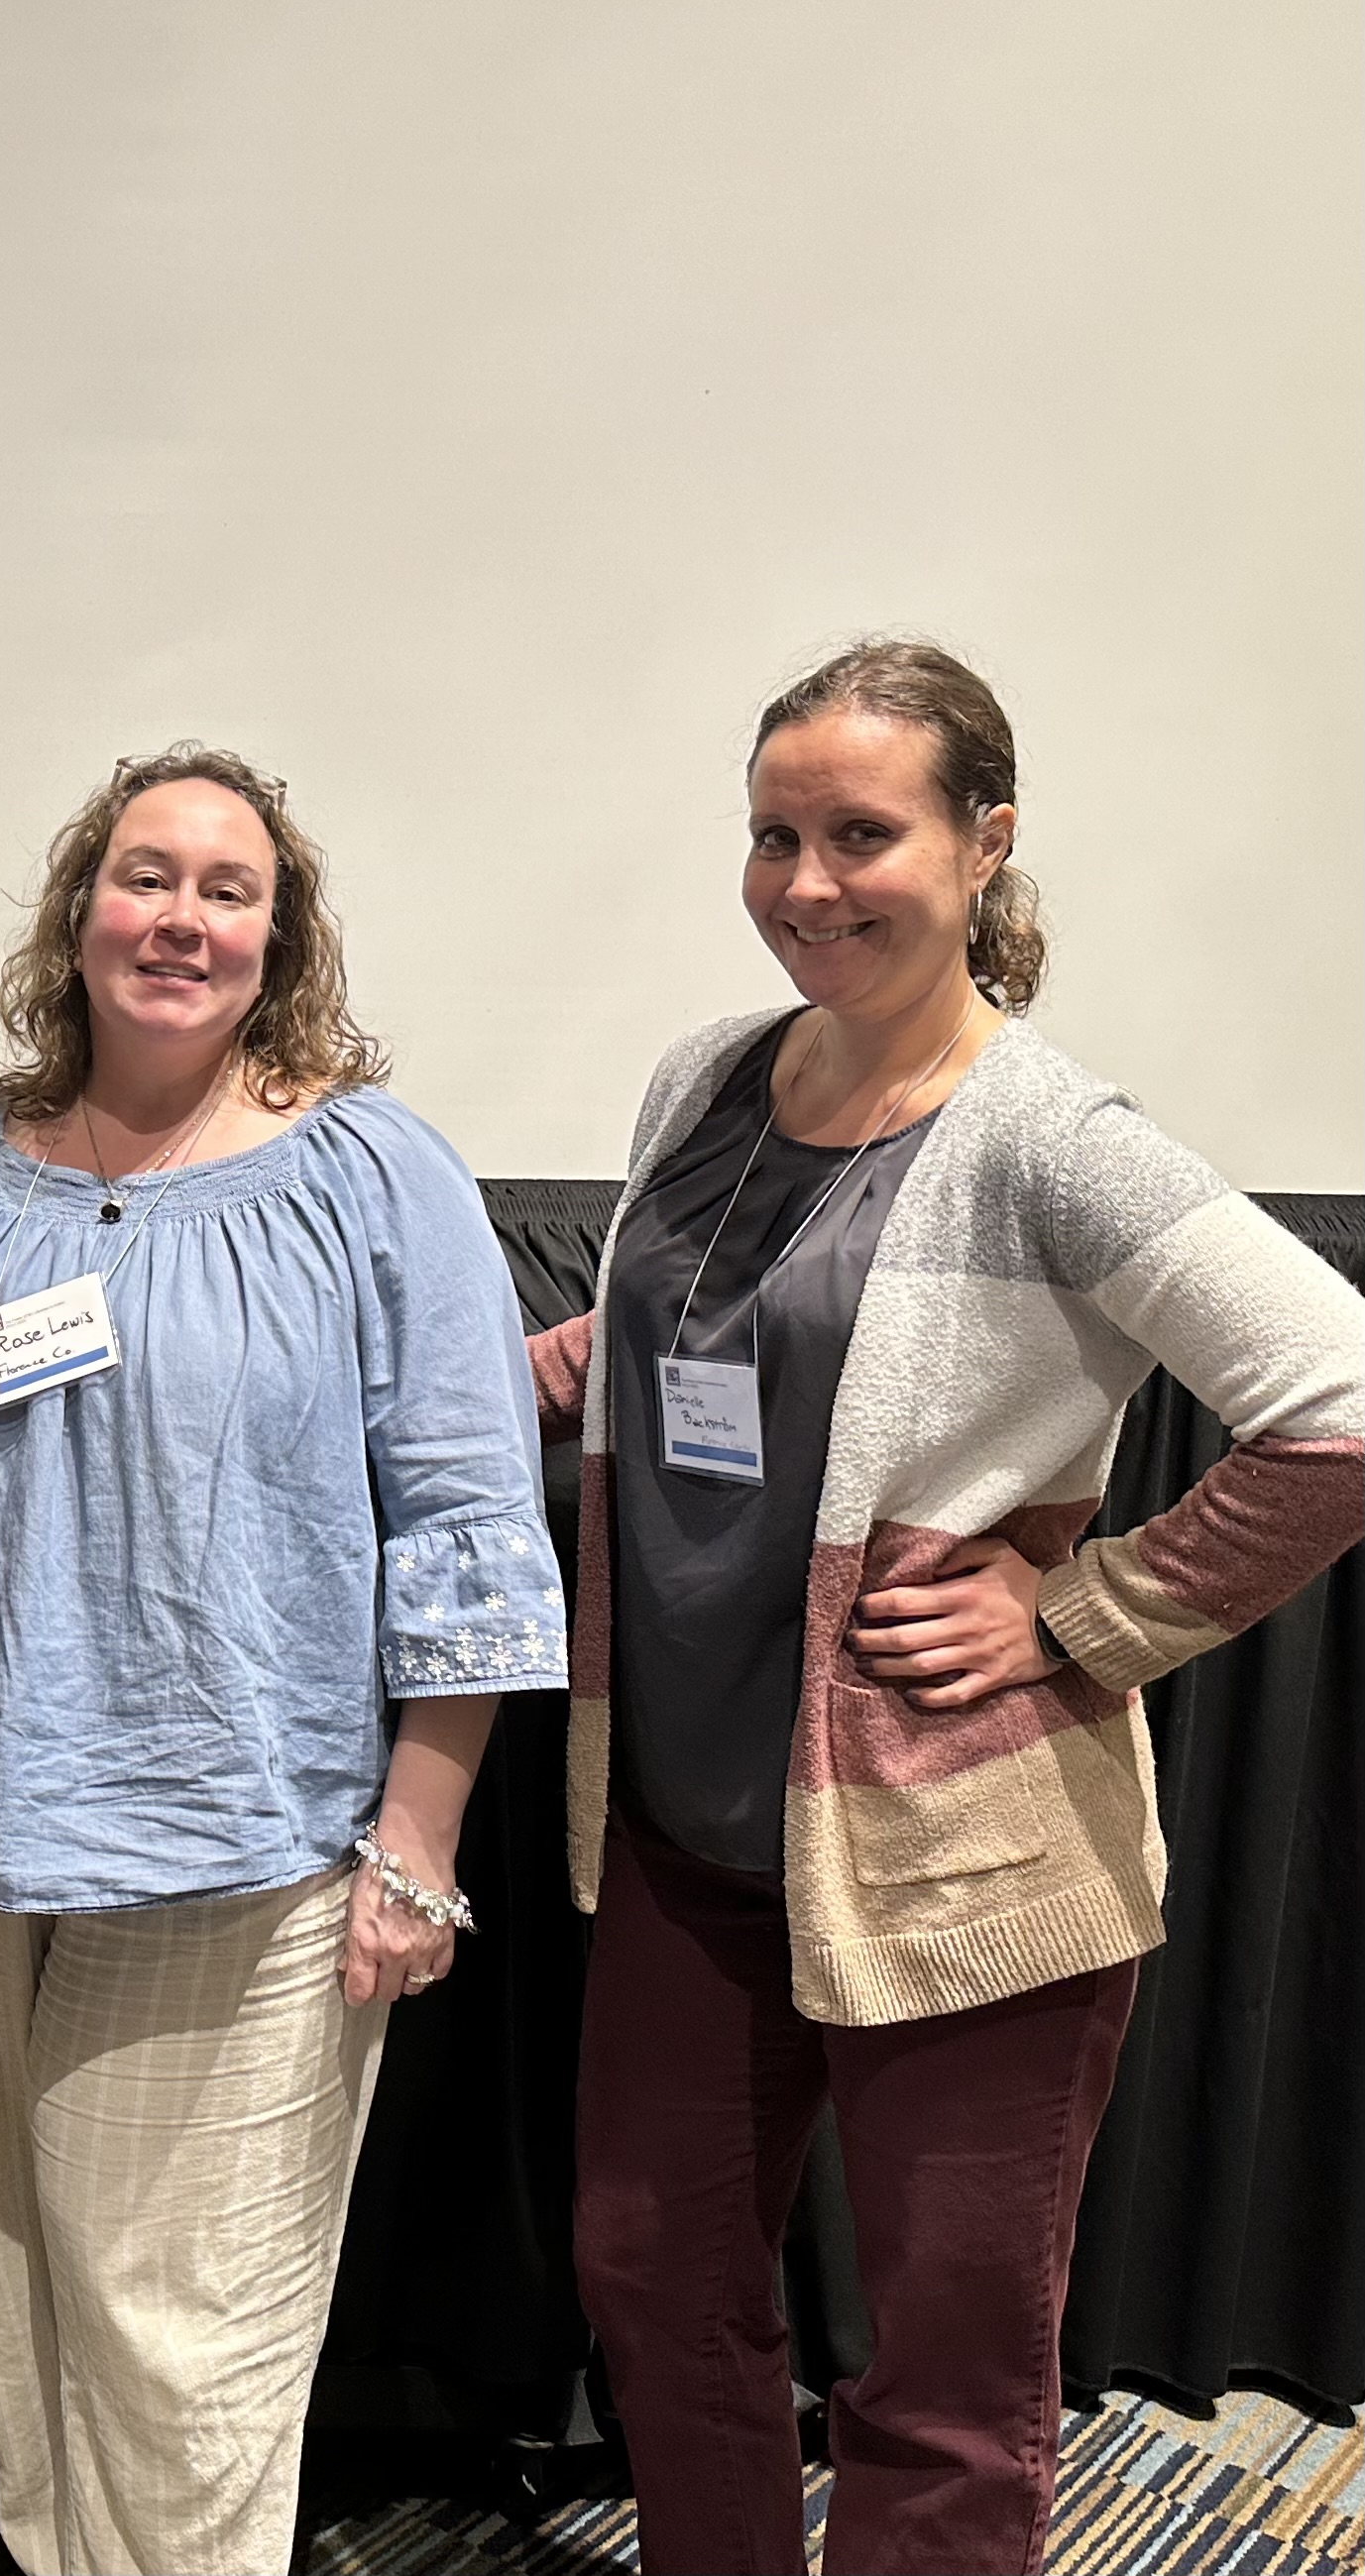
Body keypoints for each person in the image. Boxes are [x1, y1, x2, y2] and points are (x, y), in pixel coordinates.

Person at [538, 639, 1365, 2572]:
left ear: (983, 845)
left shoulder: (1047, 1139)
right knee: (653, 2278)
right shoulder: (705, 1077)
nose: (806, 882)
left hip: (957, 1840)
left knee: (944, 2368)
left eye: (860, 834)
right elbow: (701, 1341)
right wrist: (549, 1367)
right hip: (682, 1818)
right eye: (772, 835)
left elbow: (1341, 1410)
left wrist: (1080, 1614)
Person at [0, 745, 565, 2576]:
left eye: (225, 888)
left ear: (280, 933)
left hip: (246, 1844)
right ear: (75, 911)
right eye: (143, 875)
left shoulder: (366, 1170)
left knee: (187, 2346)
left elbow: (469, 1516)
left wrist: (417, 1843)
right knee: (7, 2291)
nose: (178, 917)